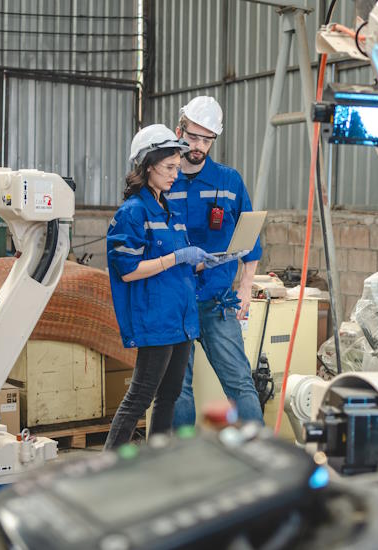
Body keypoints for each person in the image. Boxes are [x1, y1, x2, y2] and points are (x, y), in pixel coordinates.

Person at [104, 124, 217, 449]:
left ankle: (156, 464)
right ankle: (108, 466)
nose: (174, 174)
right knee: (140, 397)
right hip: (156, 320)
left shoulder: (170, 210)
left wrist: (203, 261)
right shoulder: (133, 213)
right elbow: (128, 271)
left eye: (177, 167)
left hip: (181, 320)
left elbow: (178, 261)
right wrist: (178, 256)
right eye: (168, 167)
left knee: (169, 397)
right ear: (147, 165)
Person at [167, 96, 265, 426]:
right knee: (177, 390)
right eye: (192, 137)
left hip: (218, 301)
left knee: (240, 383)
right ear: (178, 130)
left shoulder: (228, 181)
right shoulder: (163, 181)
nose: (198, 146)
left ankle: (257, 452)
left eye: (206, 140)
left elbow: (250, 236)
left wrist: (247, 289)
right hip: (175, 300)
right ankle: (178, 465)